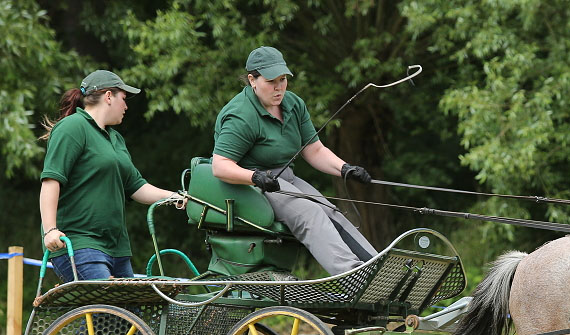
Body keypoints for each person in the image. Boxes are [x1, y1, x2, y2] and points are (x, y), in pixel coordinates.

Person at [212, 46, 377, 276]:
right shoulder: (240, 115)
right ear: (252, 80)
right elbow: (220, 166)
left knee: (331, 212)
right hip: (249, 185)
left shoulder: (293, 104)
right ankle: (353, 277)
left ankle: (376, 269)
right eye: (271, 81)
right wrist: (255, 177)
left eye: (283, 79)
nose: (279, 87)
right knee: (310, 214)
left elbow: (314, 150)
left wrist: (344, 169)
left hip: (284, 177)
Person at [40, 70, 184, 282]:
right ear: (108, 96)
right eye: (123, 99)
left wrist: (177, 197)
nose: (126, 107)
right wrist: (50, 230)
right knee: (105, 313)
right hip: (79, 244)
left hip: (117, 249)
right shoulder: (72, 127)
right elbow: (51, 181)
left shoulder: (115, 139)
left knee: (126, 316)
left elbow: (136, 187)